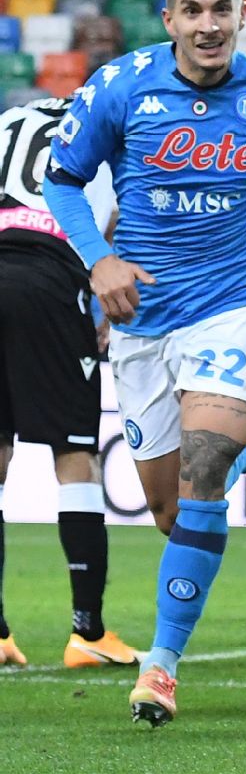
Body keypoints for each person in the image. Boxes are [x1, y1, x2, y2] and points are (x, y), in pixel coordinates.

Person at [45, 0, 246, 725]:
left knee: (203, 468)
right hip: (143, 317)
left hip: (233, 305)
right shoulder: (121, 87)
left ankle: (162, 666)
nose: (208, 25)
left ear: (243, 12)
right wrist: (100, 259)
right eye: (193, 11)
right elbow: (61, 180)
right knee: (170, 514)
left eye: (222, 9)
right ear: (169, 18)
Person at [0, 95, 139, 668]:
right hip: (51, 280)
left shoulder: (9, 118)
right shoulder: (107, 126)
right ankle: (89, 632)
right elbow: (119, 221)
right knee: (75, 458)